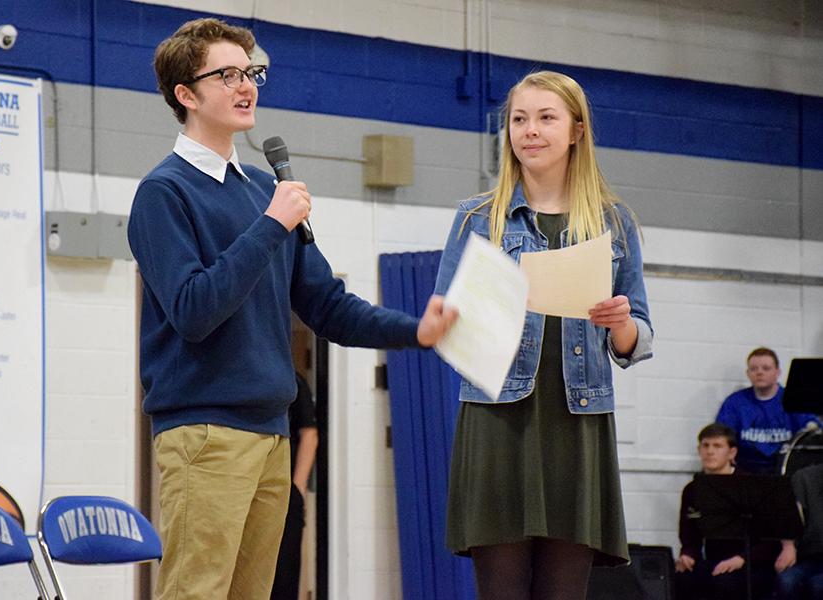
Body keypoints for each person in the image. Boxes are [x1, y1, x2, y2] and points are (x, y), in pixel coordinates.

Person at [127, 18, 457, 600]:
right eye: (226, 74)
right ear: (185, 94)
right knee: (195, 592)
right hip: (205, 434)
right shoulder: (165, 192)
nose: (245, 84)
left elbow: (326, 305)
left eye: (250, 71)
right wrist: (271, 225)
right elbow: (194, 310)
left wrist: (418, 332)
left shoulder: (261, 187)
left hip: (272, 435)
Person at [433, 70, 654, 600]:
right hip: (497, 423)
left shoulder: (613, 222)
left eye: (546, 118)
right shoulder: (476, 219)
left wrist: (621, 323)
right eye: (519, 119)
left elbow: (638, 340)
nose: (530, 131)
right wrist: (477, 315)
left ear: (577, 130)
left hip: (577, 427)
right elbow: (441, 325)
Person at [675, 423, 795, 600]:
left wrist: (741, 559)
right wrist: (688, 554)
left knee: (726, 584)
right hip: (715, 559)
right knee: (681, 579)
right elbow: (689, 532)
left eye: (717, 446)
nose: (710, 451)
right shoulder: (693, 490)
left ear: (732, 453)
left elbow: (770, 539)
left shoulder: (752, 486)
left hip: (752, 562)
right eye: (705, 445)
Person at [716, 347, 819, 473]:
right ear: (748, 373)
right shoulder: (734, 403)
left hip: (787, 470)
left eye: (766, 368)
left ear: (778, 372)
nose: (759, 372)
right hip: (744, 471)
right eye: (754, 369)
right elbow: (720, 437)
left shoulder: (795, 399)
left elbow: (813, 432)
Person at [270, 372, 318, 600]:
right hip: (249, 488)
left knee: (285, 574)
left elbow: (310, 434)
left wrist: (297, 488)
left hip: (286, 492)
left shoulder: (294, 382)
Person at [777, 463, 823, 599]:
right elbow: (788, 518)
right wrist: (788, 546)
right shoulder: (804, 477)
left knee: (818, 585)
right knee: (786, 582)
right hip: (812, 557)